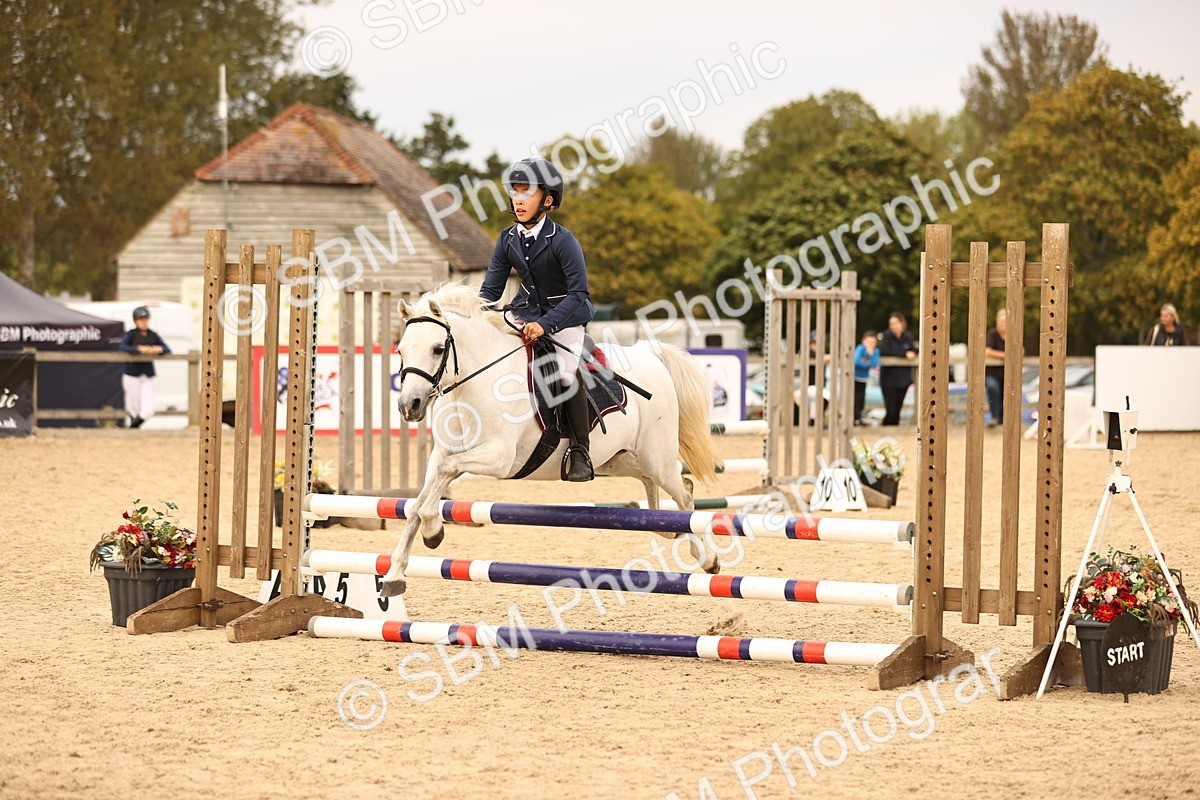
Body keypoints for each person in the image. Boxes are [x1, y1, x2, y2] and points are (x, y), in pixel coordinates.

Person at [479, 157, 597, 481]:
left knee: (565, 369)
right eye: (515, 191)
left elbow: (578, 295)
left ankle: (579, 450)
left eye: (526, 192)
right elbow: (490, 290)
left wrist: (546, 325)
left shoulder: (563, 240)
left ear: (547, 200)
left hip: (567, 318)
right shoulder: (507, 239)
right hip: (524, 313)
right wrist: (473, 316)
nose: (518, 199)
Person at [119, 306, 170, 429]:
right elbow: (123, 347)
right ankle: (135, 432)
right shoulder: (131, 334)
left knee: (148, 410)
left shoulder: (153, 335)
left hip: (147, 373)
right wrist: (139, 348)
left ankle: (132, 428)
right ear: (135, 321)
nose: (143, 322)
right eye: (141, 319)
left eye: (145, 319)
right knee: (134, 407)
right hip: (132, 374)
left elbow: (166, 349)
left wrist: (157, 349)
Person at [878, 312, 916, 426]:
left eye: (896, 323)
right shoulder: (886, 336)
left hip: (903, 380)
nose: (893, 326)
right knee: (891, 411)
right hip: (889, 380)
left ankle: (894, 434)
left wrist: (912, 353)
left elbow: (914, 350)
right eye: (891, 324)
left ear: (902, 323)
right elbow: (885, 351)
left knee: (898, 410)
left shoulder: (907, 337)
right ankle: (886, 432)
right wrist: (905, 353)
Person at [984, 309, 1008, 426]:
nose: (1003, 324)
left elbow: (1021, 351)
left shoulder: (1012, 335)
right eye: (1001, 321)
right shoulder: (992, 334)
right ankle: (994, 416)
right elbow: (987, 351)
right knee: (993, 388)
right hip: (992, 373)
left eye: (1005, 321)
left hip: (1006, 374)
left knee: (1006, 393)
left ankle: (1001, 419)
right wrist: (1006, 355)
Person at [853, 331, 879, 425]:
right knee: (855, 399)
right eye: (868, 342)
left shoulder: (875, 351)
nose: (870, 345)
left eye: (873, 343)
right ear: (863, 341)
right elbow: (856, 360)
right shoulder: (860, 348)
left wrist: (870, 354)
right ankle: (854, 418)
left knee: (861, 400)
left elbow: (874, 364)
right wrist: (866, 364)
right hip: (854, 378)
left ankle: (858, 418)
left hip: (863, 379)